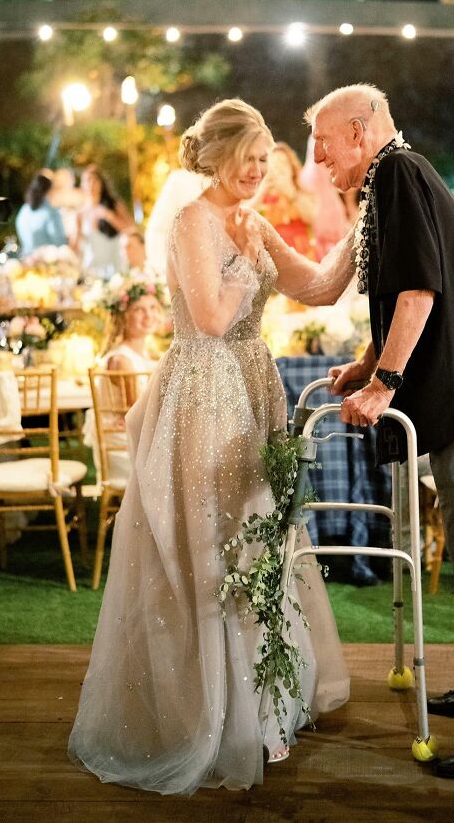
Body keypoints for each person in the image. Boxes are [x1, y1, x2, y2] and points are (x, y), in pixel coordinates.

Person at [69, 98, 355, 794]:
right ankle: (215, 714)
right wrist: (245, 256)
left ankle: (264, 705)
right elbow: (210, 316)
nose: (260, 171)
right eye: (250, 158)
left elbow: (318, 287)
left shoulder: (252, 222)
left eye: (264, 159)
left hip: (253, 386)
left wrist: (363, 231)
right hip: (205, 394)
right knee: (216, 542)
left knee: (262, 539)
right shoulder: (195, 221)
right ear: (220, 156)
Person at [307, 83, 454, 779]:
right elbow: (408, 294)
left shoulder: (397, 175)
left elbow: (420, 291)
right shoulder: (395, 175)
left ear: (359, 132)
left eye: (323, 144)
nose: (318, 159)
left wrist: (384, 384)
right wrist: (368, 363)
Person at [82, 278, 165, 485]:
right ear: (123, 317)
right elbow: (136, 413)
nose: (148, 315)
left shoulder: (145, 352)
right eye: (139, 310)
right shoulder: (122, 360)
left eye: (152, 307)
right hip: (125, 446)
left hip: (138, 437)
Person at [250, 142, 317, 260]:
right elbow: (243, 216)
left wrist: (290, 192)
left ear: (291, 168)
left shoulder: (300, 191)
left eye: (282, 164)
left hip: (304, 255)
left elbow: (312, 216)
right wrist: (261, 192)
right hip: (275, 258)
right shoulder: (258, 194)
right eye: (273, 164)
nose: (278, 168)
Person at [76, 164, 134, 275]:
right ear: (82, 185)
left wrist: (109, 216)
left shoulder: (114, 205)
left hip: (116, 266)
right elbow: (76, 245)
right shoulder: (80, 214)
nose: (91, 184)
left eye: (95, 180)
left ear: (101, 183)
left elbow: (130, 230)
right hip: (91, 269)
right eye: (88, 180)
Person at [15, 173, 67, 255]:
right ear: (49, 191)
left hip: (26, 257)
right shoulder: (51, 213)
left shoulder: (24, 210)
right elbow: (59, 242)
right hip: (46, 260)